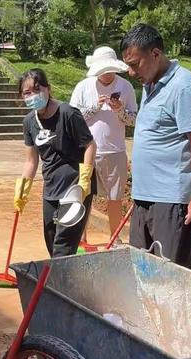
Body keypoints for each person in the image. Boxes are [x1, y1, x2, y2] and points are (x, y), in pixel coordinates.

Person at [121, 24, 191, 269]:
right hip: (145, 199)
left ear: (156, 54)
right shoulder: (149, 84)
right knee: (141, 274)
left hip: (170, 202)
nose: (130, 72)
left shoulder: (184, 86)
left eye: (134, 64)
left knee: (170, 278)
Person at [15, 68, 96, 258]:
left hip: (75, 187)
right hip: (51, 187)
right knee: (51, 238)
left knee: (63, 244)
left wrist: (85, 179)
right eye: (27, 93)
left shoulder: (68, 113)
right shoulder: (29, 122)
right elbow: (31, 160)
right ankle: (65, 278)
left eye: (37, 89)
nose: (33, 95)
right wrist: (22, 190)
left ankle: (59, 284)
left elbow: (90, 145)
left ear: (48, 89)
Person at [71, 46, 137, 245]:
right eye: (102, 71)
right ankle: (81, 239)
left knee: (115, 198)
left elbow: (134, 119)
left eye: (109, 70)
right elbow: (72, 118)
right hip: (86, 151)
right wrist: (94, 108)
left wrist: (119, 111)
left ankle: (115, 238)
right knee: (83, 195)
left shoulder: (126, 87)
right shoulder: (83, 87)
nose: (107, 75)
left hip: (115, 151)